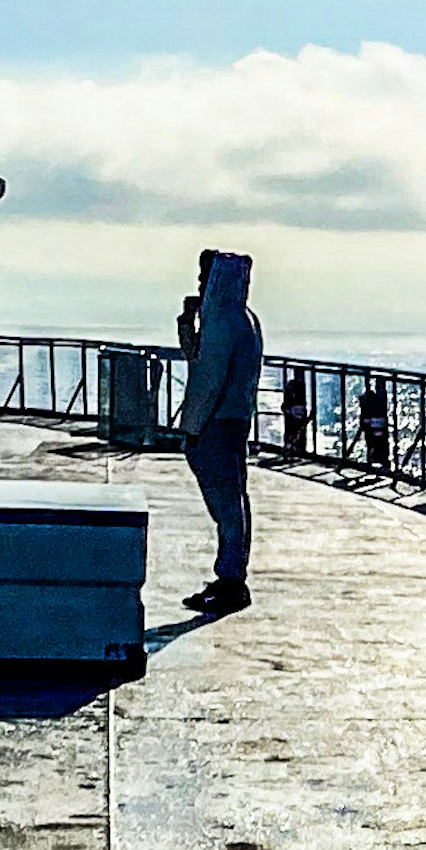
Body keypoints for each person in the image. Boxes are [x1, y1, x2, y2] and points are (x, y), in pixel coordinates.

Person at [174, 246, 261, 612]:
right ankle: (232, 573)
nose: (199, 283)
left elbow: (207, 378)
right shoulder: (244, 318)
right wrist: (187, 324)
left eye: (204, 276)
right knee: (235, 501)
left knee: (226, 505)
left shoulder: (223, 321)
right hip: (236, 420)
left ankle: (230, 580)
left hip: (217, 424)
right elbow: (198, 357)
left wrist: (191, 429)